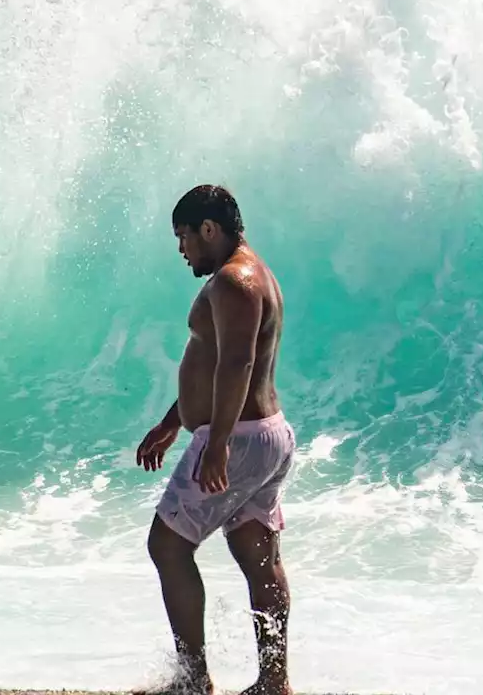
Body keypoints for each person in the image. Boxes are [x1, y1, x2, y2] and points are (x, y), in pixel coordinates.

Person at [134, 184, 296, 695]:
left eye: (184, 237)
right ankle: (273, 682)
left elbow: (236, 365)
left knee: (167, 545)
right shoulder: (254, 275)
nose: (182, 250)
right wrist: (174, 420)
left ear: (210, 229)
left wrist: (218, 442)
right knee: (257, 555)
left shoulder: (234, 282)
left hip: (241, 438)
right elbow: (210, 361)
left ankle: (194, 681)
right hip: (264, 436)